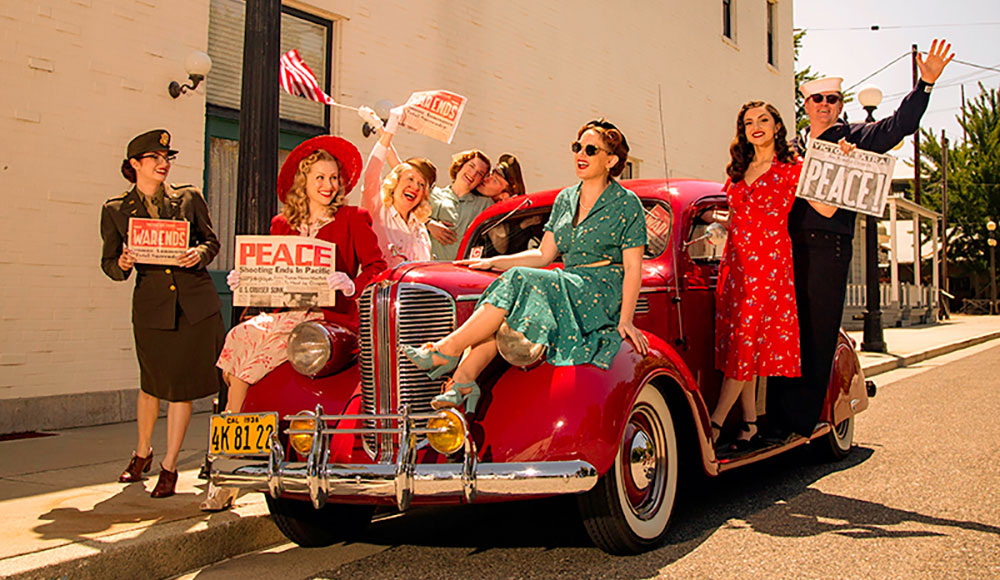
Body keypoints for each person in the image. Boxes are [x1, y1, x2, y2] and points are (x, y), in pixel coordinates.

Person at [767, 39, 955, 440]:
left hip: (828, 249)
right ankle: (774, 417)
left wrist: (924, 85)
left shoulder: (854, 137)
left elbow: (899, 126)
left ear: (839, 104)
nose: (824, 104)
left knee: (817, 335)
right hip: (785, 249)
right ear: (806, 103)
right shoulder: (791, 148)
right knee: (786, 333)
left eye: (832, 99)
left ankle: (799, 425)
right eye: (817, 98)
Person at [401, 119, 649, 413]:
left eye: (591, 149)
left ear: (611, 159)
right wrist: (494, 262)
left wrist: (625, 320)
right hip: (567, 283)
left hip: (601, 289)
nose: (580, 154)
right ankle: (463, 378)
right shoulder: (566, 199)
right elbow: (543, 255)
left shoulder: (626, 203)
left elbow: (634, 267)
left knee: (518, 281)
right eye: (577, 147)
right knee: (511, 308)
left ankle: (448, 350)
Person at [202, 136, 387, 511]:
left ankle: (229, 463)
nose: (328, 186)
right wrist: (247, 281)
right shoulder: (282, 224)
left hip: (328, 319)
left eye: (334, 178)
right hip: (287, 314)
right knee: (241, 338)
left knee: (252, 356)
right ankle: (232, 453)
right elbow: (274, 278)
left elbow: (378, 268)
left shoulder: (353, 219)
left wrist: (352, 284)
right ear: (304, 182)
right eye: (320, 178)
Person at [100, 129, 225, 498]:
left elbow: (211, 241)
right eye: (154, 158)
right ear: (134, 164)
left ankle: (169, 465)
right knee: (151, 384)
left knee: (181, 388)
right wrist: (122, 262)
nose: (162, 164)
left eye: (166, 157)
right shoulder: (116, 210)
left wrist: (198, 254)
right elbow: (109, 262)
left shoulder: (188, 198)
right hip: (153, 308)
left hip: (194, 305)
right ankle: (143, 453)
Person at [709, 102, 801, 452]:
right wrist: (713, 224)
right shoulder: (739, 169)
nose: (756, 126)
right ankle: (749, 423)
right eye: (748, 122)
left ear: (778, 126)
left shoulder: (792, 169)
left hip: (769, 263)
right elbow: (732, 217)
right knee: (740, 344)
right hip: (736, 264)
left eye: (764, 120)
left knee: (745, 343)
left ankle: (715, 424)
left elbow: (824, 202)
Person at [358, 106, 438, 267]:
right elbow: (372, 174)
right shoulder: (377, 210)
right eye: (410, 179)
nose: (414, 187)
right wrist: (386, 130)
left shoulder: (420, 228)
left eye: (421, 184)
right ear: (395, 181)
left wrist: (381, 128)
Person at [425, 149, 492, 261]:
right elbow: (406, 217)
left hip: (458, 273)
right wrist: (428, 224)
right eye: (471, 166)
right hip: (425, 267)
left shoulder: (484, 204)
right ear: (460, 165)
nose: (473, 173)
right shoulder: (432, 193)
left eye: (480, 173)